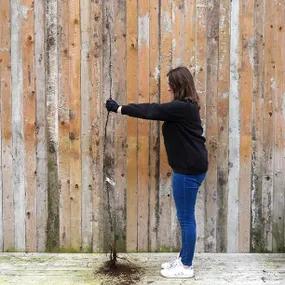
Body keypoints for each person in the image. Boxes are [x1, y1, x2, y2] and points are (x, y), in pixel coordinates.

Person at [105, 66, 208, 279]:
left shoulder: (182, 108)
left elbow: (150, 111)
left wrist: (119, 109)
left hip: (188, 171)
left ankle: (186, 266)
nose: (168, 87)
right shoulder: (186, 107)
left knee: (186, 218)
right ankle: (182, 259)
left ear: (178, 85)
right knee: (185, 217)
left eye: (171, 83)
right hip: (189, 168)